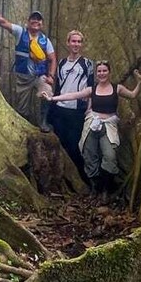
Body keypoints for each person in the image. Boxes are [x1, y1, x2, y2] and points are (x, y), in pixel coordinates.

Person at [43, 61, 141, 196]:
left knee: (110, 157)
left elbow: (132, 95)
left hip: (109, 125)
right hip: (92, 124)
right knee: (89, 156)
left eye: (104, 71)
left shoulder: (117, 88)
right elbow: (73, 95)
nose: (102, 74)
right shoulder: (92, 89)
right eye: (99, 71)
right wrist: (52, 98)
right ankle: (96, 188)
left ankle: (106, 188)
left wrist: (139, 82)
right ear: (96, 74)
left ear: (109, 72)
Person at [0, 5, 57, 132]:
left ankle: (43, 122)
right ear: (28, 22)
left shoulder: (45, 41)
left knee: (47, 92)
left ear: (42, 24)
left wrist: (51, 75)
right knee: (22, 107)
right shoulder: (20, 32)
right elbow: (3, 22)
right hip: (23, 76)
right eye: (33, 19)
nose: (36, 21)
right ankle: (23, 126)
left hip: (40, 76)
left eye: (38, 19)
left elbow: (52, 59)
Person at [49, 30, 93, 180]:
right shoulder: (61, 63)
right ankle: (63, 178)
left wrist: (89, 108)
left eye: (79, 42)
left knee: (75, 145)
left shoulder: (87, 64)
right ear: (68, 43)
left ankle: (81, 178)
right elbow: (58, 87)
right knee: (61, 143)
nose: (76, 44)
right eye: (73, 41)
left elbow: (91, 88)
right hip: (60, 109)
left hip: (77, 111)